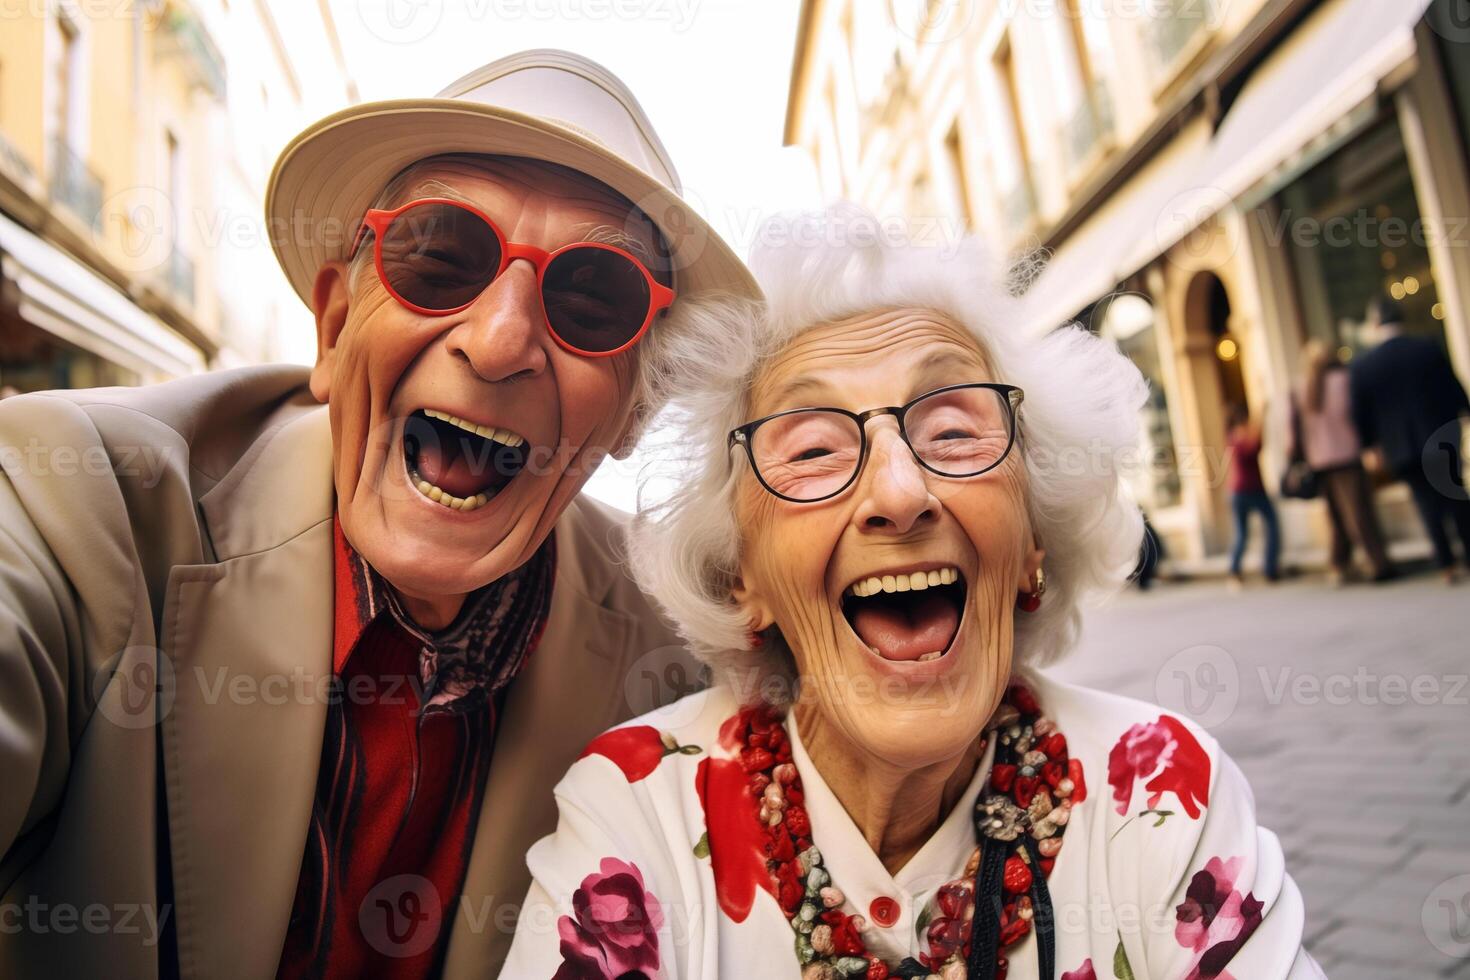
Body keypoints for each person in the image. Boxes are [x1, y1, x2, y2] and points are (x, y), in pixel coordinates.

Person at [0, 50, 758, 977]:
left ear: (635, 410)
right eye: (441, 257)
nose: (500, 341)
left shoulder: (673, 658)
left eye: (592, 300)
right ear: (331, 328)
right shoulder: (72, 496)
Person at [503, 206, 1321, 979]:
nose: (900, 493)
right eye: (815, 449)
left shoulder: (1164, 793)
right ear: (742, 577)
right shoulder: (638, 808)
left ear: (1034, 539)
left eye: (955, 433)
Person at [1350, 296, 1470, 583]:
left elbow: (1361, 412)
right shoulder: (1426, 347)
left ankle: (1446, 564)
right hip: (1441, 436)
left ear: (1376, 323)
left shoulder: (1365, 365)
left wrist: (1369, 447)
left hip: (1401, 446)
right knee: (1455, 497)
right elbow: (1451, 385)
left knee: (1426, 502)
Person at [1289, 339, 1394, 584]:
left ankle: (1339, 565)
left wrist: (1297, 458)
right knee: (1359, 512)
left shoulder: (1299, 388)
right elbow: (1360, 415)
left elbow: (1292, 431)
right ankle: (1378, 562)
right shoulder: (1345, 381)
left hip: (1318, 460)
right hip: (1347, 455)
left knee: (1335, 515)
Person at [1224, 402, 1281, 587]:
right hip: (1250, 490)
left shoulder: (1231, 436)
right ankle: (1269, 569)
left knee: (1242, 533)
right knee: (1271, 526)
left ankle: (1235, 570)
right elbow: (1253, 448)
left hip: (1239, 491)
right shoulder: (1240, 435)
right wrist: (1262, 417)